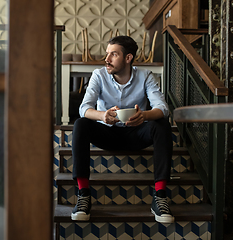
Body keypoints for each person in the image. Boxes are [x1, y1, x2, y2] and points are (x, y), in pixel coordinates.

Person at [70, 36, 174, 224]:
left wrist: (144, 116)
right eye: (107, 54)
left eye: (113, 54)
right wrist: (103, 116)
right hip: (107, 134)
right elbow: (84, 108)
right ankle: (83, 194)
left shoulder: (145, 76)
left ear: (128, 58)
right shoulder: (99, 75)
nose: (107, 59)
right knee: (80, 124)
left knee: (162, 124)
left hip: (136, 134)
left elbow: (163, 108)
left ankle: (160, 196)